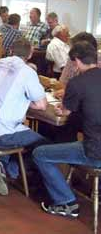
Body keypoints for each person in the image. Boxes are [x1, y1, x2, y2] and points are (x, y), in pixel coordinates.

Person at [33, 41, 101, 218]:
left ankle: (66, 202)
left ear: (77, 61)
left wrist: (60, 109)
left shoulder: (77, 83)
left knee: (40, 153)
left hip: (94, 150)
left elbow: (65, 111)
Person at [0, 37, 48, 196]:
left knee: (16, 130)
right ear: (30, 54)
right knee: (44, 145)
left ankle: (2, 165)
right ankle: (12, 171)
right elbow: (42, 105)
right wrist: (24, 99)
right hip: (1, 134)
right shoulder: (27, 72)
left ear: (10, 51)